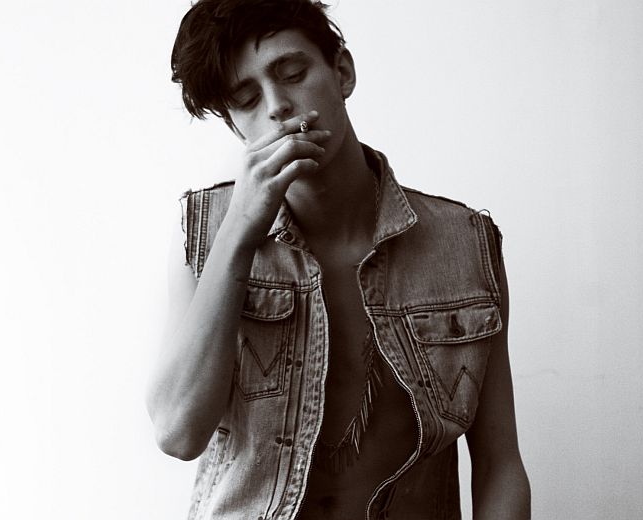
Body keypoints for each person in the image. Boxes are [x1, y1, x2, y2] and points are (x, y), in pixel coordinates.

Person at [146, 1, 530, 518]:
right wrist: (240, 231)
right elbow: (177, 432)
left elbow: (499, 462)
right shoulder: (205, 230)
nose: (278, 106)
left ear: (342, 72)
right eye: (246, 99)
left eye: (293, 74)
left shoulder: (464, 242)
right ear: (236, 127)